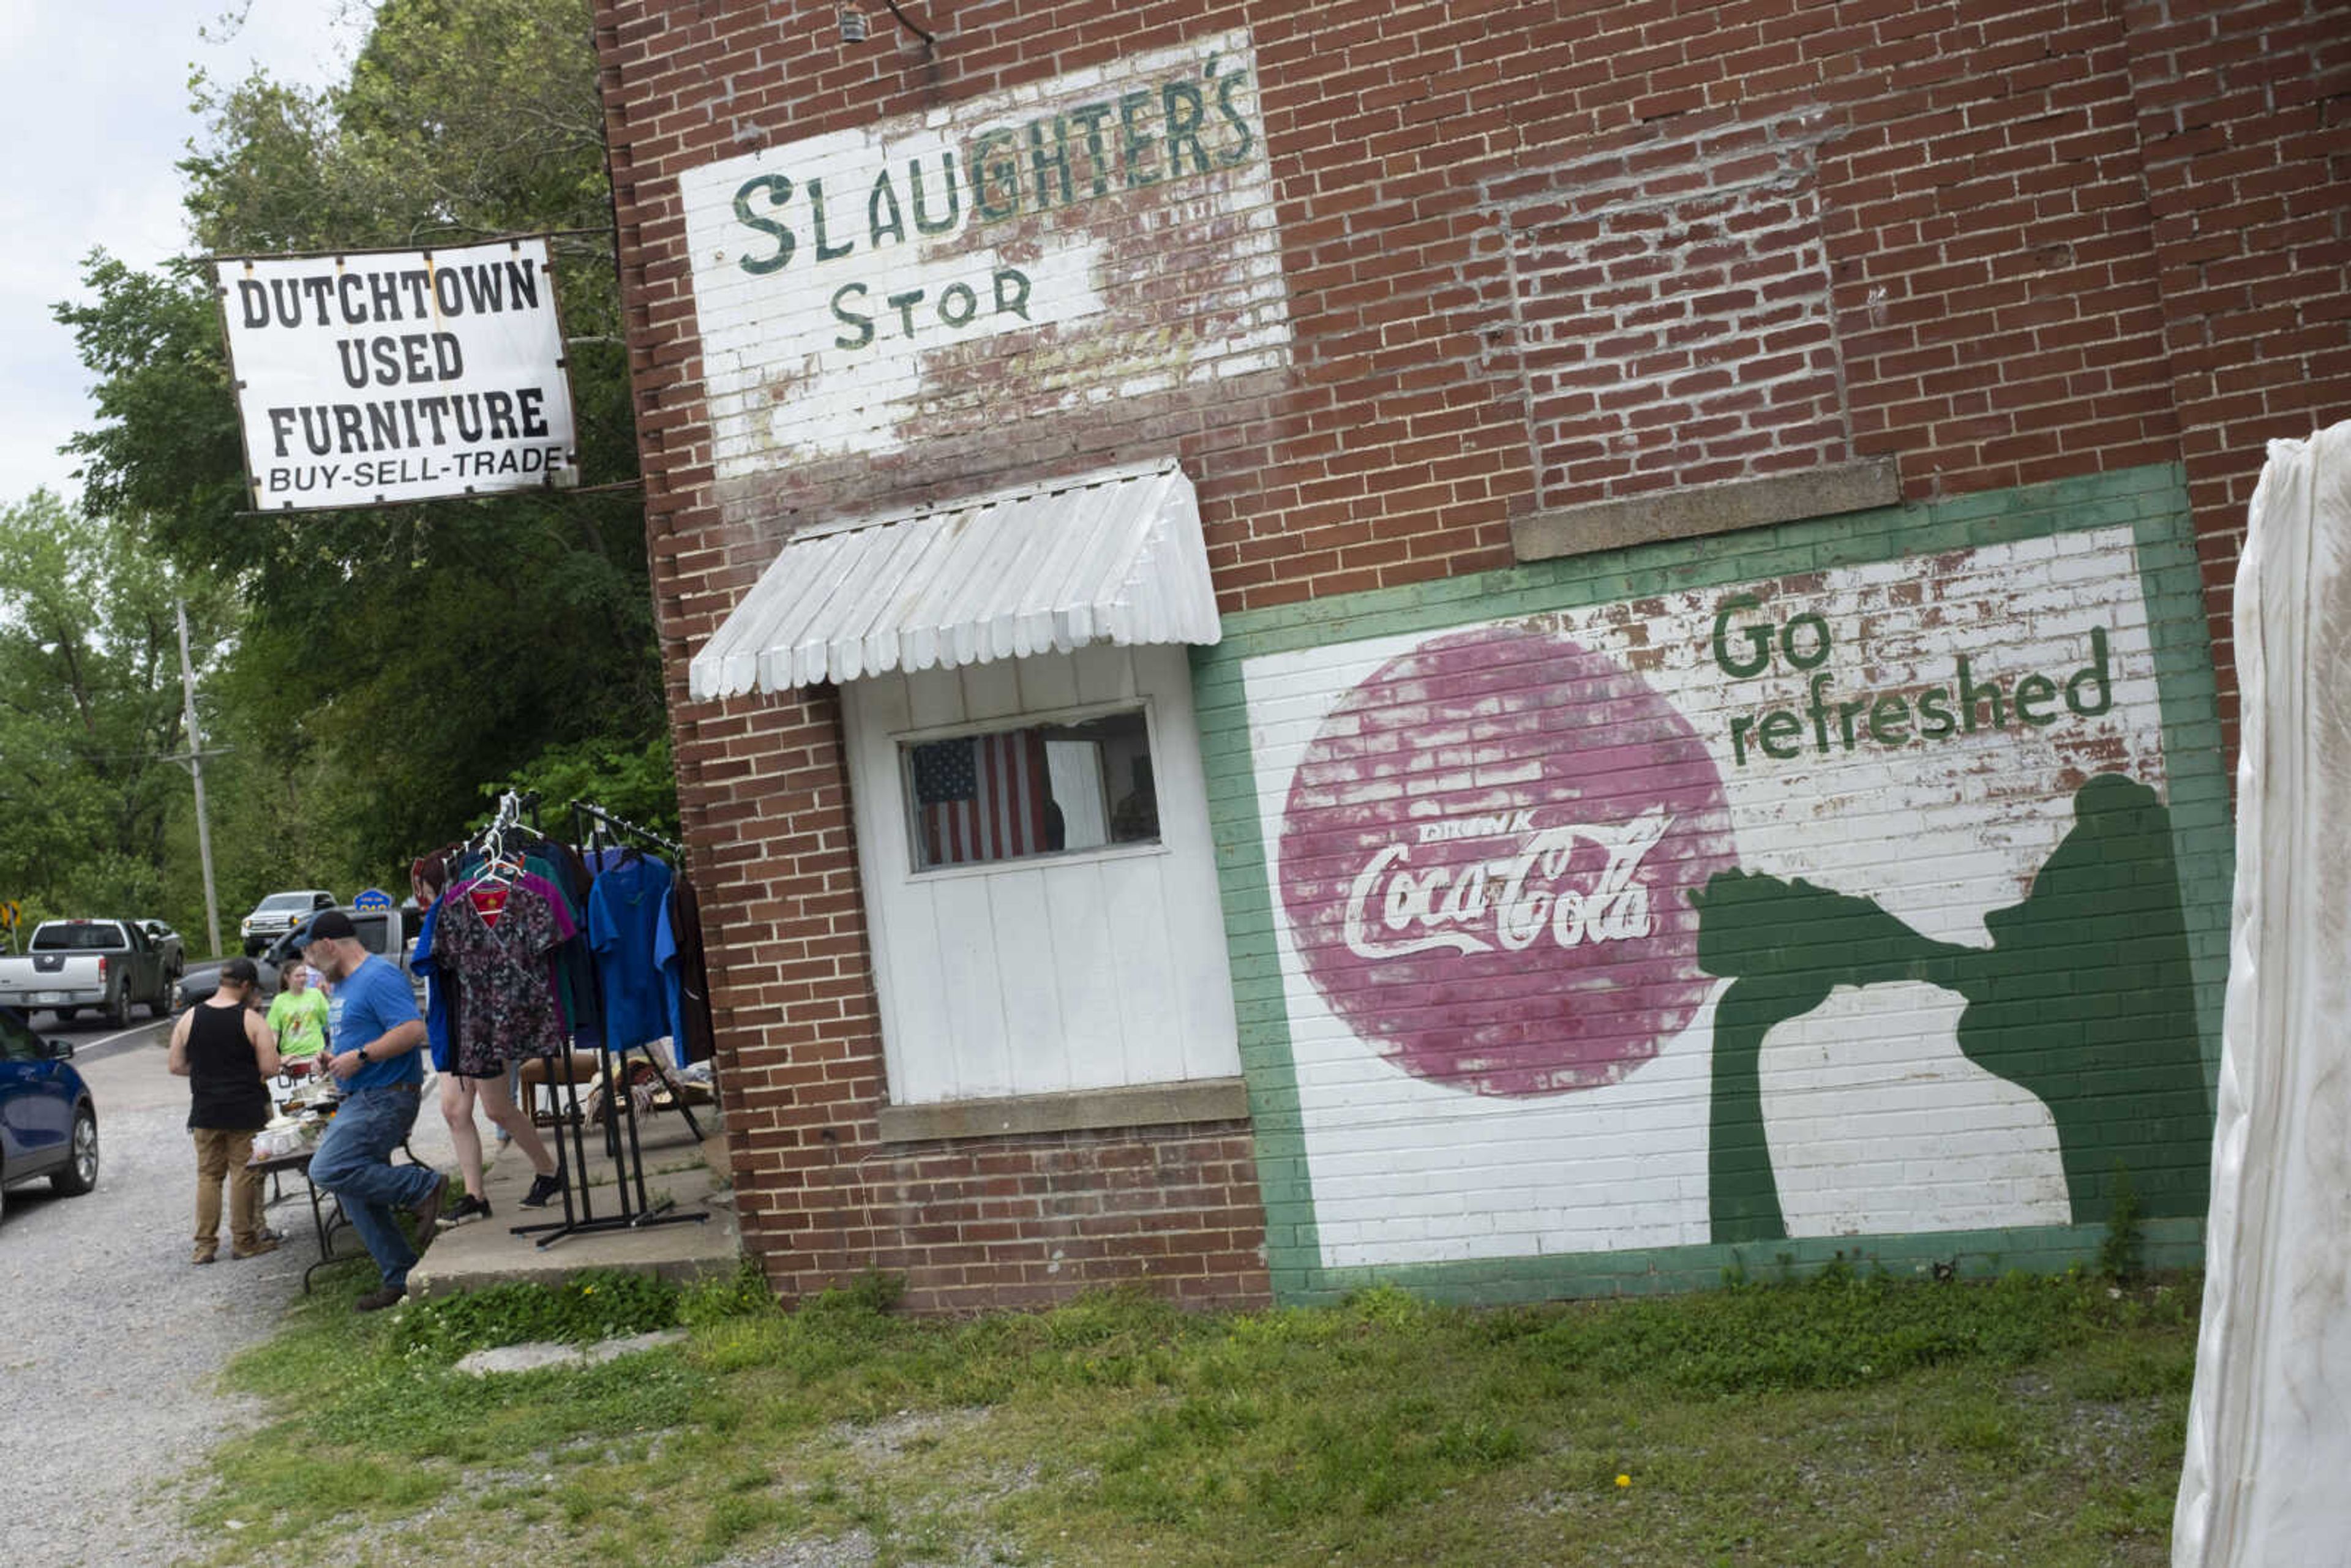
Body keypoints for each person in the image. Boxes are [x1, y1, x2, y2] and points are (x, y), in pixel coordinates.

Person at [303, 909, 449, 1311]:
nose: (311, 966)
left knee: (326, 1168)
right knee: (353, 1189)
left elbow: (412, 1030)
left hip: (384, 1096)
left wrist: (362, 1056)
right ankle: (400, 1275)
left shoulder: (379, 976)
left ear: (329, 945)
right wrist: (333, 1057)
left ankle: (423, 1186)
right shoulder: (346, 985)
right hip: (362, 1094)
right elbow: (363, 1037)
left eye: (312, 955)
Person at [414, 850, 564, 1223]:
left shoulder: (466, 903)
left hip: (479, 1019)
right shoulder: (451, 908)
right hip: (459, 1019)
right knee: (454, 1110)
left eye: (423, 885)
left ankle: (548, 1171)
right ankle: (475, 1195)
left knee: (495, 1107)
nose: (420, 892)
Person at [166, 957, 283, 1264]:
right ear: (245, 986)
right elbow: (270, 1068)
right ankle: (244, 1241)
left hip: (205, 1110)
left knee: (208, 1176)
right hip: (245, 1109)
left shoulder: (189, 1018)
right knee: (243, 1174)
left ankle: (204, 1246)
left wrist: (208, 1070)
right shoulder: (252, 1020)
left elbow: (176, 1065)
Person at [264, 962, 330, 1075]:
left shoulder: (316, 995)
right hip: (291, 1059)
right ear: (287, 978)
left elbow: (329, 1023)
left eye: (305, 975)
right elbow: (274, 1034)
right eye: (298, 976)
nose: (303, 979)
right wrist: (276, 1059)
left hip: (316, 1056)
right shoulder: (279, 1000)